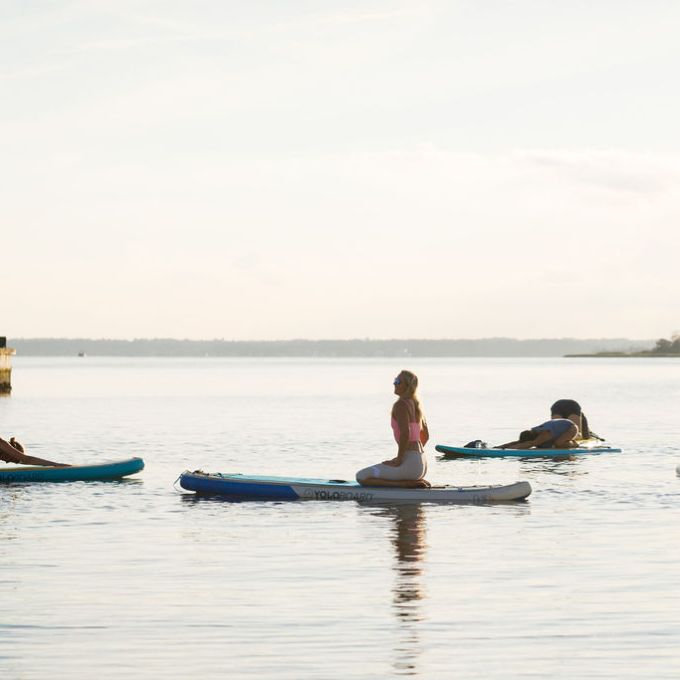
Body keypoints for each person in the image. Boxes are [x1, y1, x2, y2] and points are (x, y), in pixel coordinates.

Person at [356, 370, 430, 487]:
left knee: (361, 476)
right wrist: (409, 456)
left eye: (398, 381)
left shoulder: (400, 405)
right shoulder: (417, 405)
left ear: (407, 386)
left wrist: (400, 459)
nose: (394, 383)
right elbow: (425, 436)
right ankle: (411, 481)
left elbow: (406, 433)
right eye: (395, 380)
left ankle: (403, 484)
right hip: (421, 463)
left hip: (410, 465)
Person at [497, 418, 578, 450]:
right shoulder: (532, 433)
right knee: (545, 445)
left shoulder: (544, 434)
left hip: (571, 428)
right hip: (559, 429)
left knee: (558, 443)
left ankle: (573, 443)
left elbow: (531, 443)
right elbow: (519, 442)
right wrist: (501, 447)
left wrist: (510, 449)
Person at [0, 436, 69, 467]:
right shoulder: (1, 443)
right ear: (12, 453)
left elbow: (25, 461)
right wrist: (56, 464)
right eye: (14, 460)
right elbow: (26, 459)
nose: (7, 462)